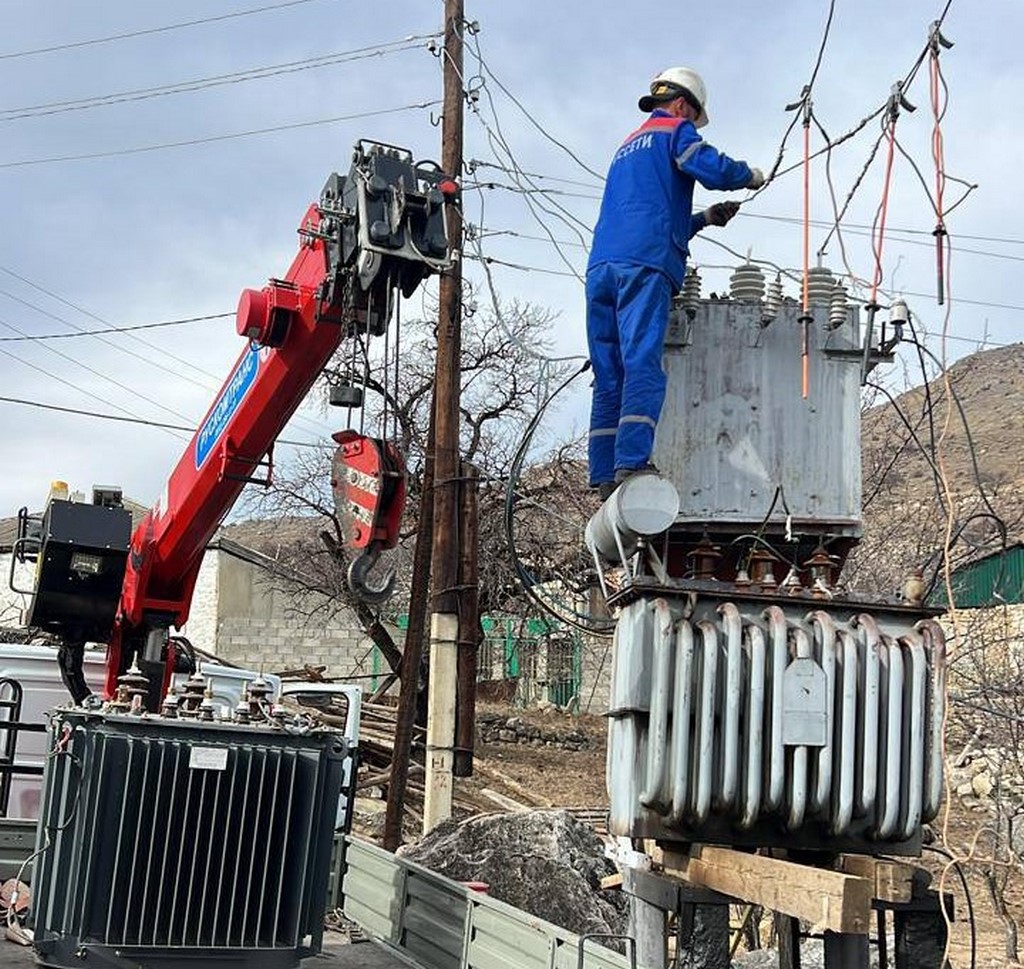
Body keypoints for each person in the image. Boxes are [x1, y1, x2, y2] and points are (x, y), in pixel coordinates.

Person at [586, 67, 764, 499]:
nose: (694, 126)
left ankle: (603, 473)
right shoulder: (675, 130)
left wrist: (705, 218)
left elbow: (649, 214)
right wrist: (749, 175)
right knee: (641, 363)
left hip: (602, 268)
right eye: (695, 118)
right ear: (683, 105)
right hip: (645, 265)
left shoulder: (627, 147)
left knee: (609, 373)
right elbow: (711, 168)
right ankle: (632, 463)